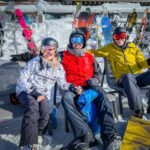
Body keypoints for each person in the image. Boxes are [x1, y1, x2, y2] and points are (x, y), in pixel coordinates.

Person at [59, 29, 122, 150]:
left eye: (80, 40)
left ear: (83, 42)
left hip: (89, 85)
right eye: (74, 40)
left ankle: (109, 134)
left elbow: (98, 74)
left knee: (102, 94)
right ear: (70, 42)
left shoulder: (89, 56)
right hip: (72, 87)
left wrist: (95, 80)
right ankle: (85, 135)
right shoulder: (63, 56)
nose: (77, 43)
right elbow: (48, 57)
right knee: (66, 99)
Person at [16, 37, 70, 150]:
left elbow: (62, 83)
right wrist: (35, 93)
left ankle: (37, 135)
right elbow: (22, 80)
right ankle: (28, 143)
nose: (49, 52)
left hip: (42, 95)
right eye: (46, 49)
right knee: (33, 107)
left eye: (52, 49)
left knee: (46, 113)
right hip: (26, 91)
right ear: (41, 50)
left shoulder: (58, 68)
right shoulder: (34, 63)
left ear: (56, 51)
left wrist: (73, 87)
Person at [87, 26, 150, 118]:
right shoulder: (110, 49)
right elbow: (93, 52)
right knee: (128, 76)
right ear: (113, 38)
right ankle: (137, 110)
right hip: (123, 78)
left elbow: (141, 64)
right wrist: (81, 51)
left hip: (138, 76)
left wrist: (148, 62)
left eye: (122, 36)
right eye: (117, 36)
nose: (120, 39)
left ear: (126, 37)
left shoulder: (133, 47)